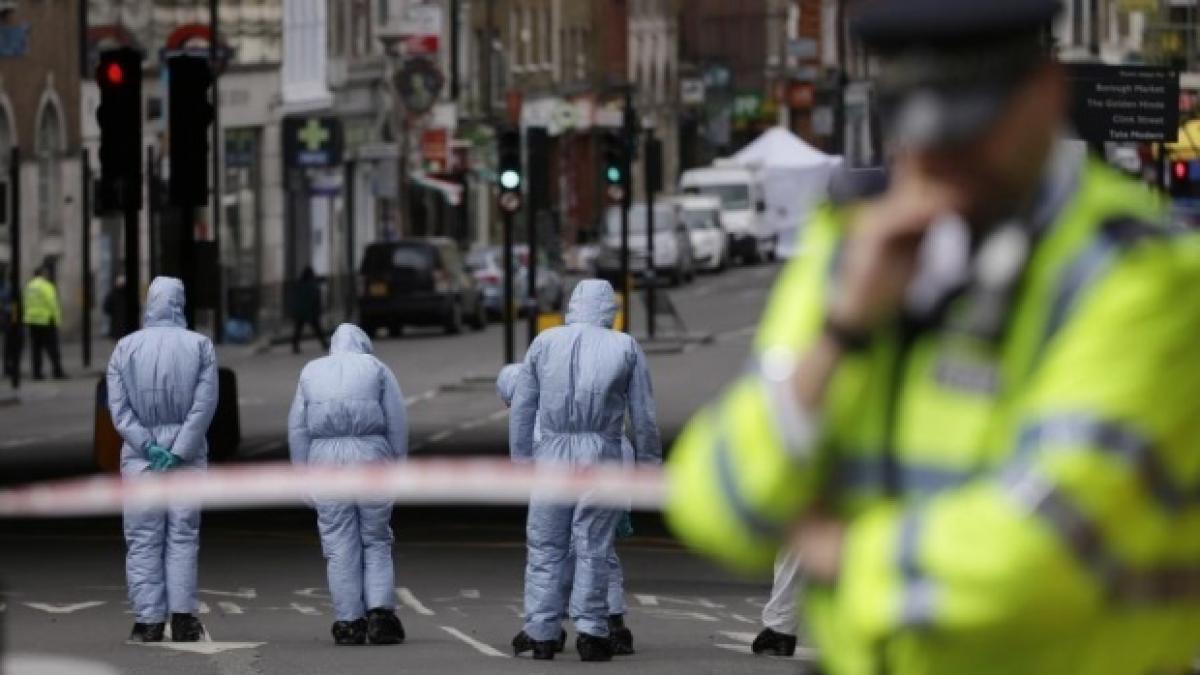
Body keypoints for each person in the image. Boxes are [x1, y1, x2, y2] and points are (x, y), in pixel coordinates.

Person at [664, 1, 1200, 674]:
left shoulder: (1141, 278)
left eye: (973, 128)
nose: (945, 162)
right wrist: (842, 331)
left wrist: (844, 553)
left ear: (1045, 93)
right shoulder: (854, 254)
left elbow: (1040, 555)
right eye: (922, 129)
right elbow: (715, 499)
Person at [750, 168, 891, 661]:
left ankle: (781, 628)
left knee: (800, 546)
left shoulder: (806, 289)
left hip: (825, 450)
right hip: (853, 454)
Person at [507, 280, 661, 662]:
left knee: (545, 546)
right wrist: (647, 468)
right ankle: (592, 632)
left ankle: (541, 631)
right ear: (610, 309)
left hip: (553, 452)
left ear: (572, 305)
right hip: (601, 451)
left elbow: (523, 409)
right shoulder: (625, 347)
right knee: (593, 544)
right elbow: (643, 417)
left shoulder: (544, 343)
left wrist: (522, 462)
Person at [496, 363, 636, 656]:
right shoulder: (570, 401)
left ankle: (547, 629)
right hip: (610, 471)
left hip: (565, 489)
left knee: (552, 556)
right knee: (600, 552)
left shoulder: (538, 420)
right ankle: (614, 625)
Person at [106, 277, 218, 643]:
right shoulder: (200, 346)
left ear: (148, 303)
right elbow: (204, 406)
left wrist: (147, 446)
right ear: (180, 303)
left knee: (142, 539)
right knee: (183, 537)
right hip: (186, 460)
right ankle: (184, 619)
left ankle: (148, 622)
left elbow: (119, 410)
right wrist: (179, 450)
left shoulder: (124, 349)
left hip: (141, 461)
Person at [288, 323, 408, 646]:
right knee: (376, 538)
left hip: (325, 460)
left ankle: (348, 622)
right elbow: (396, 422)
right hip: (371, 455)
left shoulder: (310, 372)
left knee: (338, 543)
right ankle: (381, 615)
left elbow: (298, 429)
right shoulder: (377, 369)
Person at [23, 265, 65, 380]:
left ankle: (37, 373)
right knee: (52, 348)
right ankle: (57, 371)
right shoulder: (47, 286)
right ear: (43, 274)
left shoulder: (29, 286)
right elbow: (53, 303)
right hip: (46, 321)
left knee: (36, 349)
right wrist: (57, 320)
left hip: (32, 321)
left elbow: (25, 302)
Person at [291, 267, 327, 354]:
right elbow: (315, 299)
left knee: (298, 329)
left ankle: (295, 346)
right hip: (310, 311)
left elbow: (295, 299)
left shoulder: (299, 284)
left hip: (301, 312)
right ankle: (324, 344)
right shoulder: (312, 285)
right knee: (317, 329)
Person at [103, 275, 129, 340]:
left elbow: (106, 307)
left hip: (116, 324)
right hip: (123, 325)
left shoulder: (112, 294)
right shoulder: (113, 294)